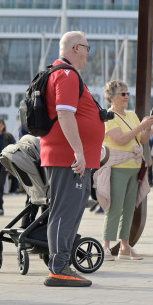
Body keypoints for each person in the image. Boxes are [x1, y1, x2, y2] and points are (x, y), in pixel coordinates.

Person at [40, 30, 105, 287]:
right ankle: (58, 268)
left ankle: (61, 264)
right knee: (65, 211)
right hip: (69, 158)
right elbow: (65, 115)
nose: (89, 53)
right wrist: (79, 152)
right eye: (88, 48)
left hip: (73, 157)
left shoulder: (66, 74)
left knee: (70, 210)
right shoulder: (66, 74)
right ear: (76, 48)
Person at [96, 79, 153, 260]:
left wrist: (147, 127)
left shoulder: (131, 115)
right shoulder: (108, 116)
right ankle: (106, 246)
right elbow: (121, 139)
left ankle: (124, 246)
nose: (127, 97)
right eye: (123, 94)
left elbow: (143, 140)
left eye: (128, 93)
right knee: (115, 208)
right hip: (117, 166)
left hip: (134, 166)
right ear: (112, 97)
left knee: (130, 207)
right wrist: (142, 125)